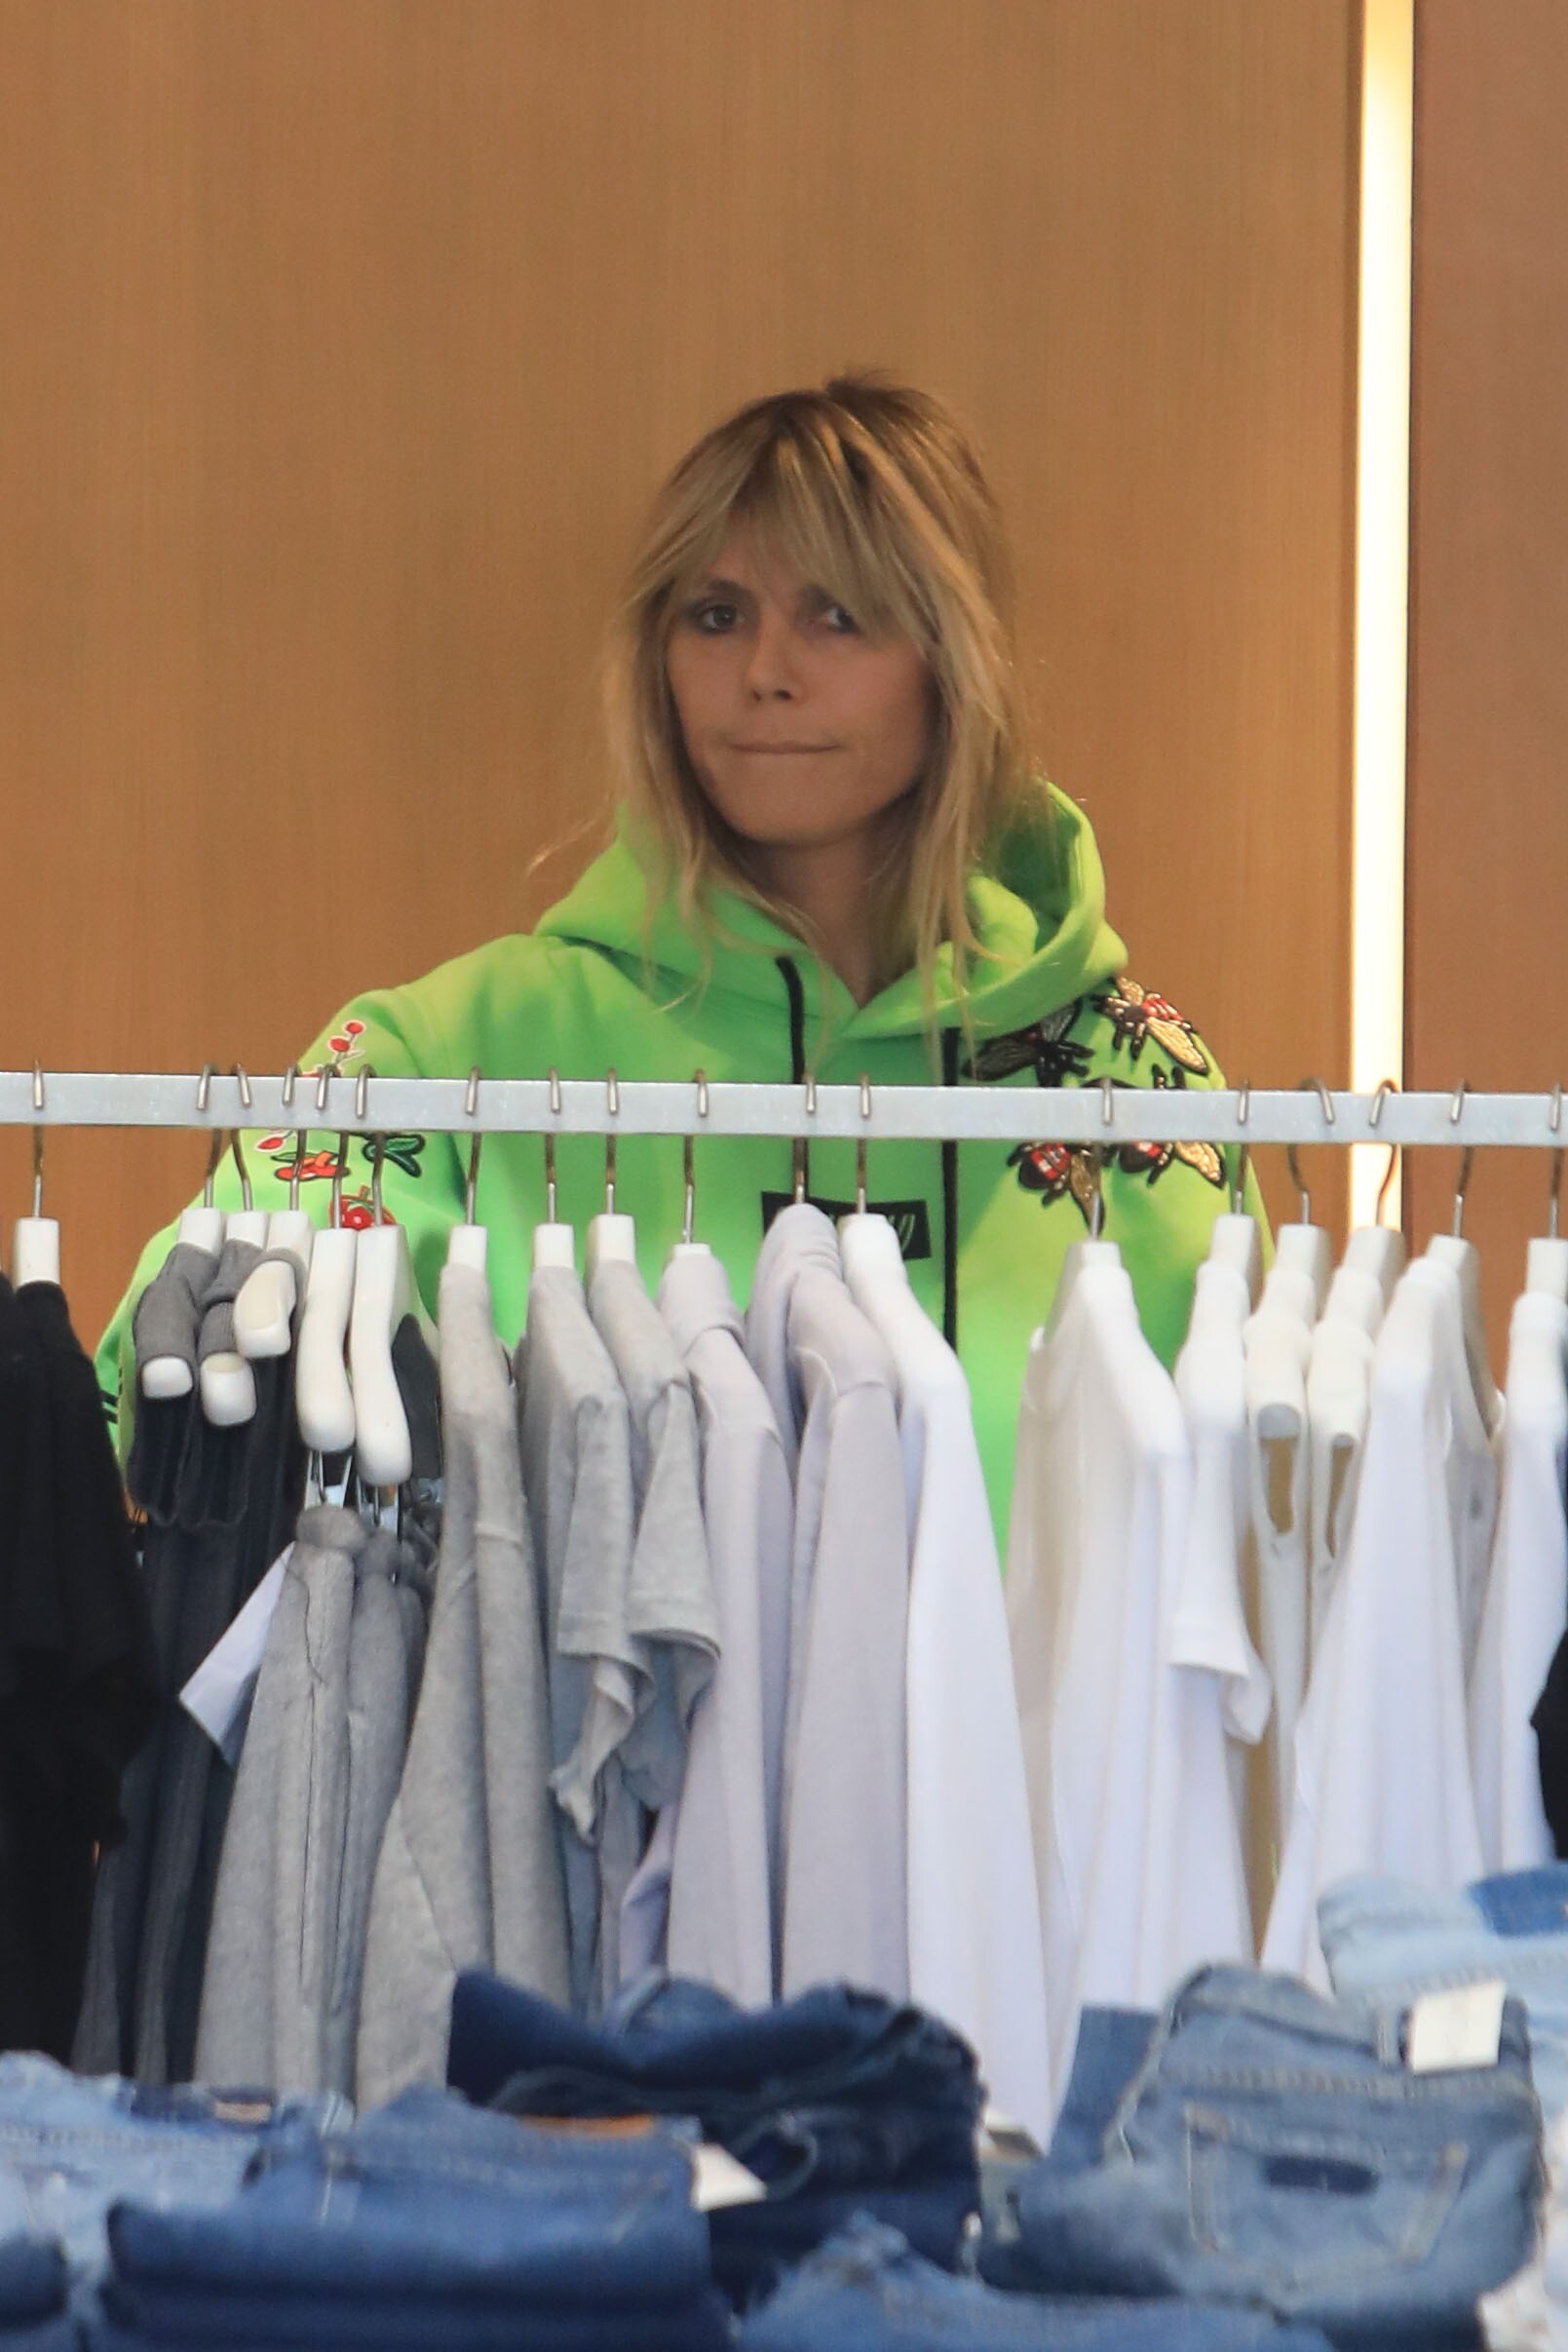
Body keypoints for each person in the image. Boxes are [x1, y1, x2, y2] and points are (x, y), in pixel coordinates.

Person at [99, 374, 1262, 1543]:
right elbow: (167, 1336)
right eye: (715, 615)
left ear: (952, 658)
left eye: (838, 615)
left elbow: (1252, 1528)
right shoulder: (460, 1047)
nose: (765, 669)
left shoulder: (1134, 1078)